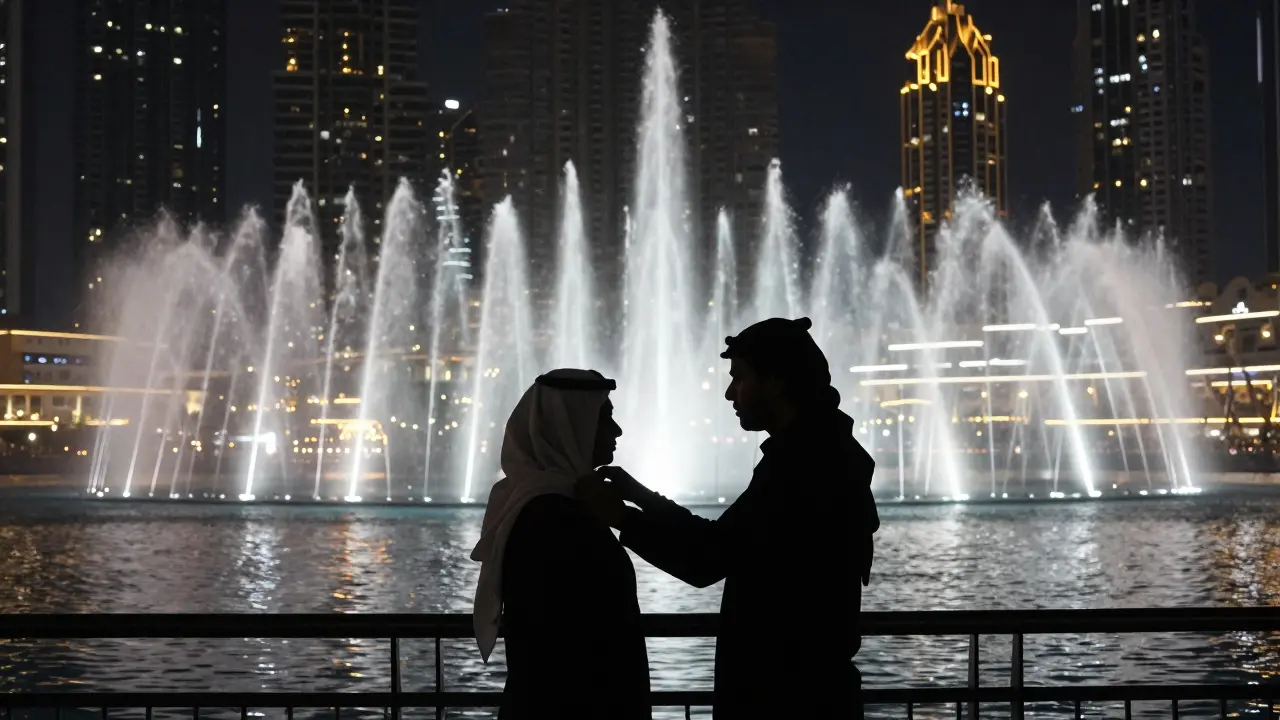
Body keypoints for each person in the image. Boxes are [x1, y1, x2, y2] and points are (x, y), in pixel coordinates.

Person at [577, 317, 879, 719]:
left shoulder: (802, 465)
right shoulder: (823, 452)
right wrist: (644, 499)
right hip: (807, 690)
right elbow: (730, 541)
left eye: (739, 378)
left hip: (786, 697)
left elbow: (709, 558)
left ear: (775, 381)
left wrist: (622, 518)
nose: (728, 392)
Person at [470, 369, 650, 719]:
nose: (617, 431)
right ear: (570, 427)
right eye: (605, 418)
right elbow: (574, 644)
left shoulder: (546, 505)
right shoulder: (555, 516)